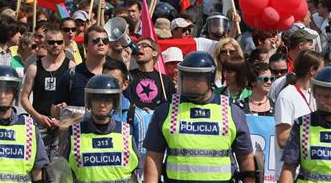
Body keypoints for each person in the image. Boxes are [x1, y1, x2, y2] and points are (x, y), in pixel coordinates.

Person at [143, 51, 255, 183]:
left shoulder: (232, 111)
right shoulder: (165, 110)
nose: (191, 83)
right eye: (187, 77)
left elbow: (245, 157)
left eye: (196, 78)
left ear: (210, 79)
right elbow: (153, 156)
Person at [59, 74, 139, 182]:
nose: (102, 105)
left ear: (114, 103)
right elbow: (63, 171)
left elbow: (139, 170)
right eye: (97, 99)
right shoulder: (74, 133)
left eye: (107, 100)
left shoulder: (126, 132)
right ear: (89, 102)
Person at [21, 27, 75, 162]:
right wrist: (37, 116)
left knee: (59, 166)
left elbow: (75, 98)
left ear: (64, 43)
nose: (55, 45)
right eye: (51, 42)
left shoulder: (71, 66)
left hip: (62, 125)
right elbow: (24, 98)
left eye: (59, 42)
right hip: (40, 122)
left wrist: (65, 118)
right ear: (45, 44)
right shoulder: (34, 67)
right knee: (39, 163)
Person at [274, 49, 325, 179]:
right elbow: (282, 138)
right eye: (322, 69)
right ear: (312, 71)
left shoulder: (315, 95)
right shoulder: (287, 95)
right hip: (291, 173)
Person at [279, 66, 331, 183]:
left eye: (327, 97)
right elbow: (288, 167)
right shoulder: (303, 124)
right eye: (318, 95)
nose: (321, 101)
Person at [52, 26, 111, 117]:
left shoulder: (115, 73)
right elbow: (54, 110)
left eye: (105, 41)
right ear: (85, 46)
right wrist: (59, 110)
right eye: (96, 40)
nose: (101, 43)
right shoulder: (71, 75)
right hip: (78, 130)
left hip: (109, 130)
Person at [103, 59, 150, 162]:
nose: (108, 85)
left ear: (125, 84)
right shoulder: (90, 114)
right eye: (105, 80)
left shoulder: (138, 117)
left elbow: (142, 159)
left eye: (114, 81)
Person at [127, 37, 175, 111]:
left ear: (154, 53)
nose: (139, 48)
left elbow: (172, 106)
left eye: (144, 45)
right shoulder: (128, 76)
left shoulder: (164, 80)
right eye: (137, 46)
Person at [269, 29, 318, 100]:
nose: (312, 48)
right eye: (310, 45)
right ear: (301, 45)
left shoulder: (307, 64)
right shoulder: (281, 63)